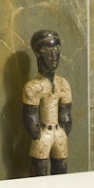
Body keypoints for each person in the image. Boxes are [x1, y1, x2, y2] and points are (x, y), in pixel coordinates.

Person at [23, 26, 74, 174]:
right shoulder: (33, 87)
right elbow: (30, 117)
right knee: (39, 171)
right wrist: (37, 134)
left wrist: (63, 131)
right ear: (38, 53)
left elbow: (66, 114)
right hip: (43, 132)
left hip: (58, 132)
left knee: (61, 171)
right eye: (48, 51)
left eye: (57, 49)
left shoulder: (63, 84)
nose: (54, 56)